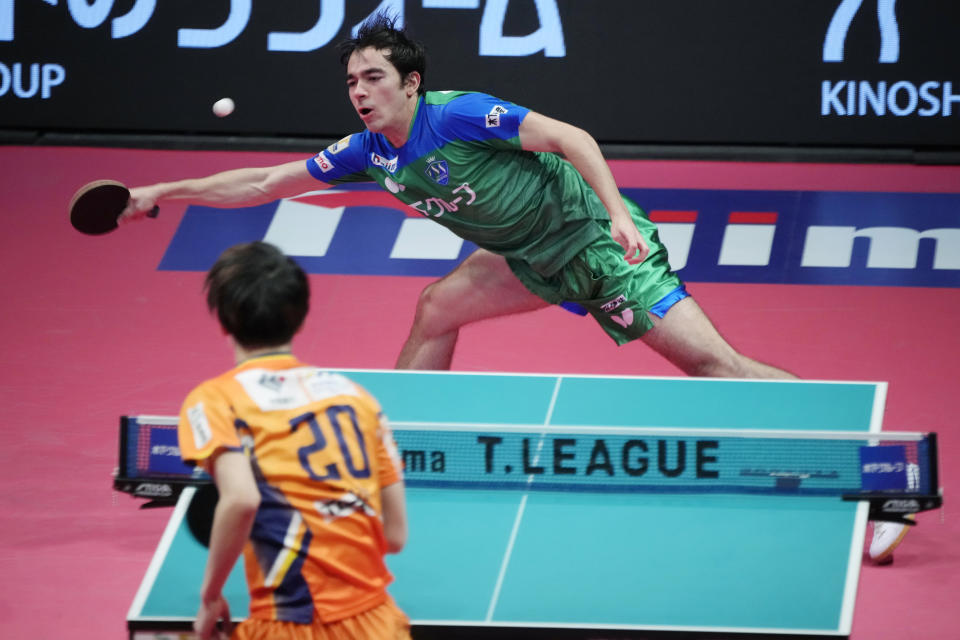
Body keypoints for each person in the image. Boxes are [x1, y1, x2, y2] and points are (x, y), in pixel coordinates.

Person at [120, 13, 795, 380]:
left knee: (713, 367)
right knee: (437, 307)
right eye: (352, 80)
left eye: (374, 77)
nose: (359, 91)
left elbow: (571, 137)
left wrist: (619, 216)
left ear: (410, 82)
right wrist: (161, 191)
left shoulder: (459, 115)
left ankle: (867, 464)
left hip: (593, 241)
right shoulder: (368, 153)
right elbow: (266, 183)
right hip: (525, 259)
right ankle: (399, 454)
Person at [176, 241, 410, 640]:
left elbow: (242, 499)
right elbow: (394, 536)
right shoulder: (357, 398)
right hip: (376, 623)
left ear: (224, 322)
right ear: (300, 319)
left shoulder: (214, 401)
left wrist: (210, 595)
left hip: (288, 622)